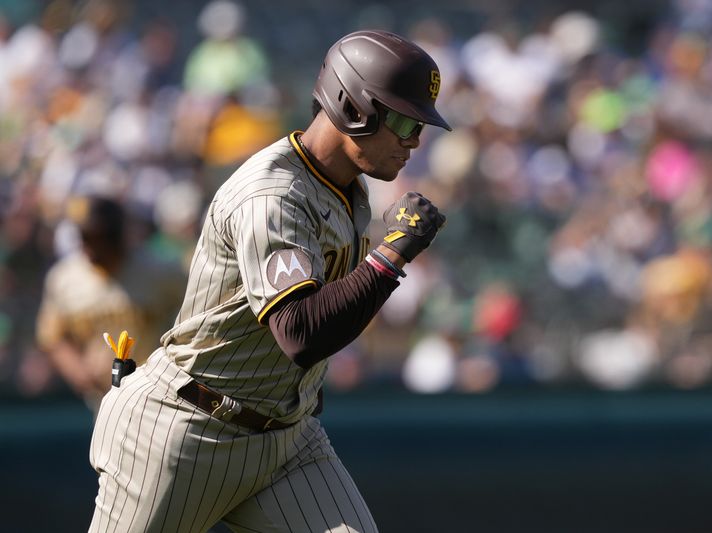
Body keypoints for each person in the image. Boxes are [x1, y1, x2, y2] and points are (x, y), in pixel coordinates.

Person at [88, 29, 450, 533]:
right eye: (403, 120)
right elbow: (300, 333)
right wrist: (390, 256)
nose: (413, 140)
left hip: (285, 440)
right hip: (185, 429)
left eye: (420, 125)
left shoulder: (348, 186)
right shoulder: (272, 195)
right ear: (352, 106)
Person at [36, 195, 186, 414]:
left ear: (116, 234)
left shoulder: (161, 271)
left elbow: (196, 317)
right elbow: (53, 338)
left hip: (159, 394)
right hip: (102, 398)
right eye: (84, 236)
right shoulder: (64, 278)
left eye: (97, 236)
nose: (88, 244)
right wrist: (80, 374)